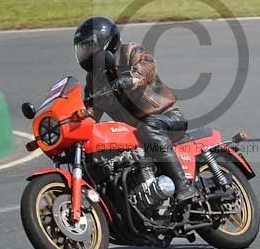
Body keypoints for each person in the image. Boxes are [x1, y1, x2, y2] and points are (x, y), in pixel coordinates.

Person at [73, 16, 197, 203]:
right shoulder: (94, 79)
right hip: (133, 132)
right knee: (93, 147)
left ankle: (183, 185)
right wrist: (75, 120)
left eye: (89, 46)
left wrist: (127, 80)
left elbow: (145, 69)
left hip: (167, 118)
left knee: (148, 128)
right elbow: (91, 113)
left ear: (106, 42)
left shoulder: (131, 51)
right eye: (83, 48)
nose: (86, 52)